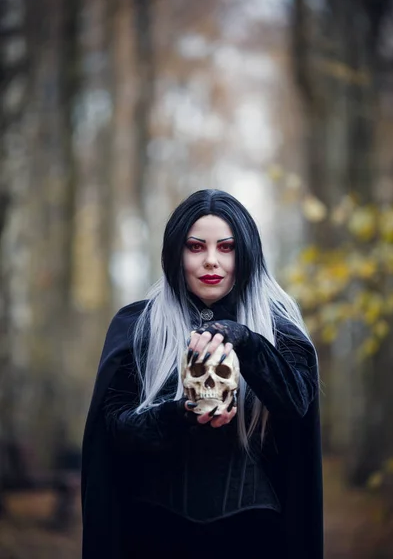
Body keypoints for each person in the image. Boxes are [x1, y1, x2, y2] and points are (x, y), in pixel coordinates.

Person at [81, 189, 323, 559]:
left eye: (226, 248)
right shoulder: (138, 326)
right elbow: (114, 431)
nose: (212, 261)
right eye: (196, 247)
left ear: (247, 254)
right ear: (176, 253)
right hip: (153, 537)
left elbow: (296, 405)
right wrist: (179, 415)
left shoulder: (280, 328)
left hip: (256, 539)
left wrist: (248, 342)